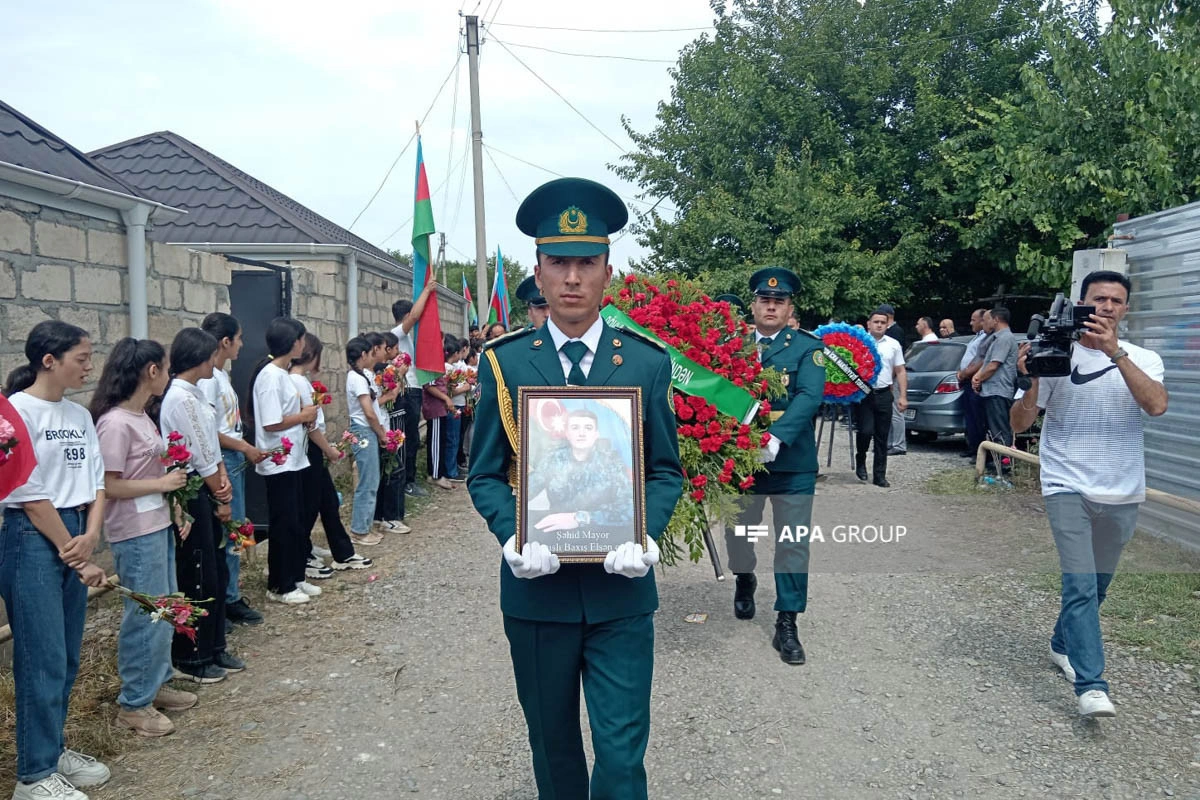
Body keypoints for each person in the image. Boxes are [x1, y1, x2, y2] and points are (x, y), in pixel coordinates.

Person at [468, 177, 682, 799]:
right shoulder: (505, 362)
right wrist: (511, 536)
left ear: (607, 273)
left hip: (621, 594)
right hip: (539, 597)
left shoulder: (644, 362)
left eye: (585, 262)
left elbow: (665, 469)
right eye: (557, 262)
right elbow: (484, 471)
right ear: (537, 270)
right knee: (554, 750)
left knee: (621, 756)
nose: (570, 277)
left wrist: (647, 533)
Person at [1011, 271, 1167, 718]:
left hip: (1122, 488)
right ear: (1080, 304)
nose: (1107, 307)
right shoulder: (1055, 355)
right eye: (1098, 299)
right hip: (1066, 484)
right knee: (1079, 583)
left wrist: (1114, 352)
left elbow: (1156, 405)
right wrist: (1033, 377)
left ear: (1126, 309)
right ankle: (1091, 685)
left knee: (1096, 587)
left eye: (1116, 301)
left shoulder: (1142, 358)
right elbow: (1020, 424)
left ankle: (1062, 642)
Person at [1, 321, 113, 800]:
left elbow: (97, 481)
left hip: (75, 532)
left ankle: (52, 749)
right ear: (49, 360)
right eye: (82, 358)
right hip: (32, 537)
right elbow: (27, 495)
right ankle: (33, 775)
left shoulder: (79, 415)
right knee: (40, 658)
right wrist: (76, 552)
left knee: (65, 656)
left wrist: (90, 535)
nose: (90, 366)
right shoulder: (14, 413)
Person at [91, 338, 198, 737]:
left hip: (155, 523)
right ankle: (134, 703)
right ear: (151, 371)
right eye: (165, 370)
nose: (168, 377)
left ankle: (156, 684)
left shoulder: (141, 417)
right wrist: (163, 482)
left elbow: (151, 476)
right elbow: (109, 486)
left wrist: (175, 506)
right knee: (146, 615)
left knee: (166, 610)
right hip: (134, 533)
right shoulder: (116, 423)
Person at [725, 267, 825, 665]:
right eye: (764, 300)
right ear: (753, 305)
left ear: (789, 308)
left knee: (793, 543)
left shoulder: (806, 347)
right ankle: (744, 577)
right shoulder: (731, 346)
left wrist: (776, 437)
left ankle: (787, 621)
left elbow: (809, 395)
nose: (771, 306)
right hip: (743, 463)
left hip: (793, 463)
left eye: (779, 301)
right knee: (739, 533)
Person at [159, 328, 244, 683]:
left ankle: (214, 645)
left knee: (213, 571)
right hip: (193, 489)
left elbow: (211, 445)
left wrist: (222, 481)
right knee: (197, 573)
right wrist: (220, 492)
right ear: (199, 357)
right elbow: (197, 452)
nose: (215, 362)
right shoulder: (179, 399)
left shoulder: (195, 395)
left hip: (209, 482)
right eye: (210, 356)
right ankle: (194, 656)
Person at [198, 312, 267, 627]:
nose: (241, 344)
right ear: (225, 342)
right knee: (230, 532)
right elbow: (209, 431)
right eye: (238, 339)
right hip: (224, 458)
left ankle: (230, 595)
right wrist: (244, 447)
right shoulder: (208, 379)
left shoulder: (221, 375)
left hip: (233, 456)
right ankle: (226, 600)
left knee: (235, 531)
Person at [289, 333, 378, 567]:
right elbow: (310, 425)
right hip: (310, 448)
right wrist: (328, 449)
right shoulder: (297, 381)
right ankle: (305, 552)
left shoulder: (302, 380)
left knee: (327, 502)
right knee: (313, 504)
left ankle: (342, 552)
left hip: (314, 448)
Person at [249, 318, 319, 605]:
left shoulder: (283, 374)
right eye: (301, 339)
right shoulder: (270, 377)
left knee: (297, 520)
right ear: (293, 343)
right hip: (278, 460)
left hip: (293, 458)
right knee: (284, 522)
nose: (303, 344)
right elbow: (270, 422)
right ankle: (280, 584)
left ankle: (297, 575)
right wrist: (303, 416)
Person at [525, 407, 635, 536]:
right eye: (575, 427)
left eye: (588, 428)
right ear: (567, 433)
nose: (581, 433)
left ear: (596, 434)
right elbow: (525, 493)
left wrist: (580, 518)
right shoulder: (552, 460)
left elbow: (630, 508)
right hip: (558, 534)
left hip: (602, 535)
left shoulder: (612, 463)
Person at [391, 281, 436, 499]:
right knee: (408, 438)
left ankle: (409, 479)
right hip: (406, 392)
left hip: (414, 389)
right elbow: (415, 317)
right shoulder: (397, 334)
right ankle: (407, 482)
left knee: (413, 438)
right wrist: (426, 290)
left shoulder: (407, 338)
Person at [853, 309, 907, 487]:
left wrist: (903, 396)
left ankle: (879, 475)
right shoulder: (859, 342)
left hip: (884, 393)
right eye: (875, 322)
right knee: (865, 431)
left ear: (887, 324)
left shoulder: (893, 344)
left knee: (882, 436)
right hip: (863, 394)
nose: (879, 325)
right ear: (869, 324)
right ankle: (860, 460)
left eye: (882, 322)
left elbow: (900, 370)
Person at [345, 337, 388, 547]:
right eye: (371, 353)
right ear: (363, 355)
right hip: (364, 430)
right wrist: (381, 434)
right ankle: (359, 530)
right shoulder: (356, 378)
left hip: (368, 430)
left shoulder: (361, 377)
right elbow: (369, 413)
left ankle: (365, 525)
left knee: (372, 479)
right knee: (367, 481)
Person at [372, 332, 408, 533]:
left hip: (388, 420)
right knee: (393, 469)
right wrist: (398, 375)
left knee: (392, 469)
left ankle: (385, 515)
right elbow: (383, 398)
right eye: (392, 348)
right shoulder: (381, 371)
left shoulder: (380, 371)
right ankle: (390, 516)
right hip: (387, 423)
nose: (396, 352)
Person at [972, 307, 1018, 458]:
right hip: (991, 390)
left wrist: (979, 378)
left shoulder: (1004, 338)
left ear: (996, 320)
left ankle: (1003, 463)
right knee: (992, 428)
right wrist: (977, 377)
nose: (984, 323)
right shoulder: (996, 338)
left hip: (998, 390)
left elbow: (993, 365)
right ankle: (994, 460)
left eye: (986, 320)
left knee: (999, 429)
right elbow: (987, 363)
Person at [423, 338, 458, 491]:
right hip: (435, 408)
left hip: (441, 408)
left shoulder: (437, 363)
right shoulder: (431, 364)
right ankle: (436, 475)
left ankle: (438, 472)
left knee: (440, 440)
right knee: (436, 442)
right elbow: (429, 386)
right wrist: (445, 398)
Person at [955, 309, 990, 458]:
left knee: (977, 417)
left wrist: (965, 373)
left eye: (973, 320)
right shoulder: (976, 337)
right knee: (970, 416)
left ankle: (979, 451)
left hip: (975, 380)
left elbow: (981, 360)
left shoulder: (986, 338)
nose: (971, 323)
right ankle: (972, 447)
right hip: (967, 380)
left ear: (983, 321)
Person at [876, 304, 908, 455]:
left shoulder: (895, 333)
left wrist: (891, 379)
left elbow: (896, 363)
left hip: (891, 379)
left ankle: (899, 444)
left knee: (896, 413)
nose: (880, 324)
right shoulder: (891, 331)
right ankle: (889, 442)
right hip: (888, 378)